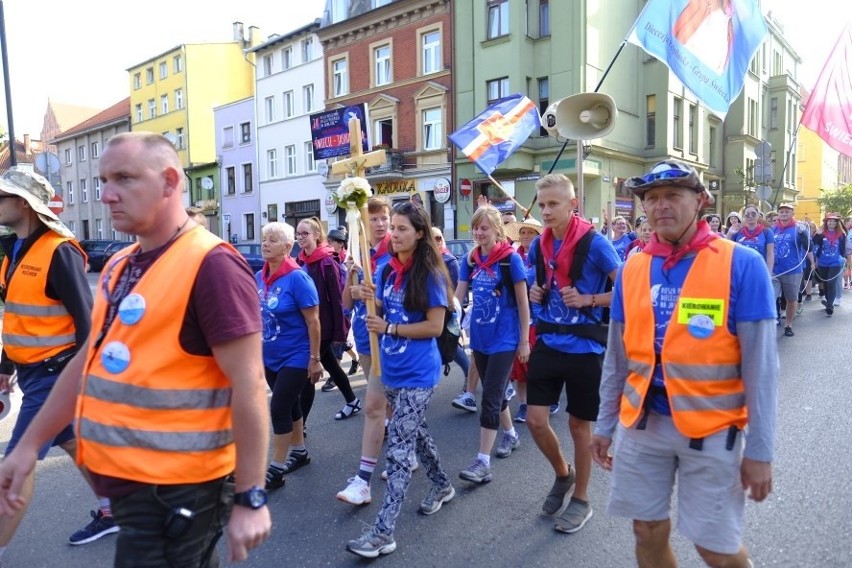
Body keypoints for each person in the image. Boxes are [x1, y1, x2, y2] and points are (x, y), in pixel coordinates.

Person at [0, 132, 271, 566]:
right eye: (104, 180)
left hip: (181, 489)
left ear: (168, 181)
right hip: (131, 483)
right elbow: (86, 362)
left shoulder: (213, 264)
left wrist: (251, 496)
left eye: (124, 178)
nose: (107, 195)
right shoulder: (121, 265)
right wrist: (28, 446)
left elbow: (251, 384)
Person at [591, 159, 778, 568]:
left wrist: (760, 451)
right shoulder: (631, 268)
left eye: (673, 195)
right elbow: (617, 359)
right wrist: (605, 424)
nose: (661, 206)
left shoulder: (741, 264)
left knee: (717, 549)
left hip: (710, 429)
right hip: (642, 424)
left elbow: (762, 370)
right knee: (646, 530)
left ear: (700, 201)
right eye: (652, 198)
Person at [0, 168, 117, 556]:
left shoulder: (59, 250)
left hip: (56, 374)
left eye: (3, 196)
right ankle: (115, 509)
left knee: (16, 462)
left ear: (24, 204)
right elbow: (20, 316)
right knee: (72, 442)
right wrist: (5, 366)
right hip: (33, 373)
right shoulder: (13, 251)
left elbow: (89, 322)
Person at [346, 201, 454, 558]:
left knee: (399, 450)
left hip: (419, 375)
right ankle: (441, 484)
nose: (393, 234)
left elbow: (434, 327)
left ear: (420, 233)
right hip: (389, 371)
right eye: (391, 228)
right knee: (416, 433)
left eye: (402, 228)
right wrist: (366, 297)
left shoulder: (431, 275)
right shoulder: (387, 271)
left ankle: (382, 533)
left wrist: (389, 326)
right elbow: (375, 310)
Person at [526, 173, 620, 534]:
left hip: (585, 348)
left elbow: (628, 288)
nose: (547, 211)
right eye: (543, 204)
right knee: (535, 421)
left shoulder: (595, 244)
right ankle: (563, 474)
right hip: (549, 342)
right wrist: (537, 293)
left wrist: (589, 299)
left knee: (580, 426)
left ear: (572, 204)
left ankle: (582, 499)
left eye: (554, 204)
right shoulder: (538, 246)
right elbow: (540, 285)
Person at [454, 206, 530, 484]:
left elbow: (523, 303)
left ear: (497, 230)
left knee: (490, 397)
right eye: (475, 227)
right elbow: (458, 298)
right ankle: (510, 434)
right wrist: (446, 316)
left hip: (506, 339)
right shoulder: (470, 260)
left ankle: (482, 463)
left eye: (484, 228)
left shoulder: (510, 260)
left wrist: (524, 340)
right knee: (494, 392)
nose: (478, 232)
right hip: (481, 337)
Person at [256, 222, 324, 490]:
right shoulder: (259, 277)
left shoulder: (298, 278)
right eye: (264, 239)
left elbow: (314, 322)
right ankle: (300, 451)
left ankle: (276, 468)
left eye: (272, 240)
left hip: (296, 355)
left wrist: (315, 358)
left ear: (287, 247)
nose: (265, 244)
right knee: (291, 405)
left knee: (279, 408)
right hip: (269, 355)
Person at [336, 196, 394, 506]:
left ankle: (400, 454)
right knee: (383, 404)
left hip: (393, 336)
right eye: (373, 219)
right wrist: (351, 279)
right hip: (365, 334)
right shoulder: (357, 256)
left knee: (384, 403)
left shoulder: (395, 250)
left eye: (383, 217)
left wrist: (369, 294)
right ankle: (402, 452)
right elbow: (347, 303)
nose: (380, 223)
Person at [296, 217, 361, 421]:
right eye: (298, 233)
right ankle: (352, 401)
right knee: (331, 365)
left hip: (322, 326)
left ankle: (301, 425)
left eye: (305, 233)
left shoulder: (326, 261)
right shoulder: (301, 260)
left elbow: (337, 298)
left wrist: (340, 330)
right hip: (307, 325)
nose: (300, 237)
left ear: (317, 235)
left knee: (309, 372)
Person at [504, 216, 543, 422]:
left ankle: (544, 401)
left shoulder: (541, 258)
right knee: (520, 367)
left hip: (538, 318)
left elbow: (535, 280)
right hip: (517, 318)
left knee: (536, 365)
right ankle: (524, 405)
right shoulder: (512, 256)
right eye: (523, 232)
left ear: (538, 236)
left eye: (531, 232)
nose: (526, 236)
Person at [771, 203, 811, 337]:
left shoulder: (798, 229)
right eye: (781, 212)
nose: (783, 214)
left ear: (792, 213)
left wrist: (804, 234)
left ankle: (788, 325)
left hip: (792, 271)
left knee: (791, 299)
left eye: (787, 212)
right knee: (770, 297)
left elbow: (808, 248)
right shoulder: (773, 229)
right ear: (778, 214)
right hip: (774, 271)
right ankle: (769, 324)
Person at [327, 228, 360, 377]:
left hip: (345, 307)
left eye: (331, 241)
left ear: (341, 244)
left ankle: (334, 377)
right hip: (333, 306)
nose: (328, 244)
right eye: (327, 241)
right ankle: (356, 358)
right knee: (343, 341)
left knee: (337, 342)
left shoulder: (348, 260)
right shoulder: (329, 259)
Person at [812, 212, 847, 316]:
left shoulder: (841, 235)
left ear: (837, 223)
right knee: (825, 284)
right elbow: (813, 245)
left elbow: (844, 248)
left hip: (835, 262)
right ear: (827, 223)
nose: (831, 222)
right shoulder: (821, 234)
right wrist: (817, 234)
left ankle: (830, 305)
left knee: (831, 283)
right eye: (830, 221)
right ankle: (828, 302)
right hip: (822, 262)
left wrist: (844, 258)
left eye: (834, 221)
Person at [729, 204, 774, 273]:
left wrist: (769, 273)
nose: (750, 216)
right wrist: (730, 233)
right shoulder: (738, 232)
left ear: (758, 215)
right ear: (744, 216)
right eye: (747, 214)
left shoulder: (766, 232)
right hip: (741, 272)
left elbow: (770, 254)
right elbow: (727, 249)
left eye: (753, 214)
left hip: (759, 271)